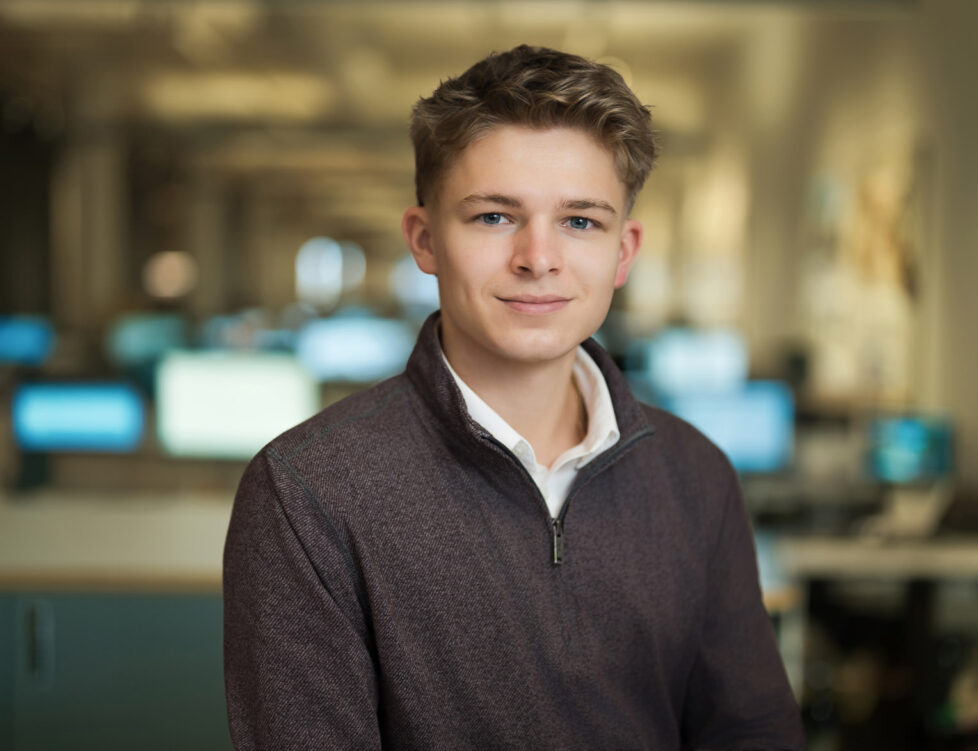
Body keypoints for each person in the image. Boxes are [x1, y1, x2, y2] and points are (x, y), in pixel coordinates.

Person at [223, 44, 804, 750]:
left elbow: (751, 734)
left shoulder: (696, 475)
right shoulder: (307, 493)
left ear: (624, 252)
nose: (538, 257)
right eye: (495, 217)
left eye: (581, 221)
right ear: (425, 238)